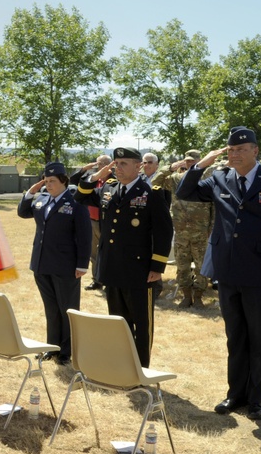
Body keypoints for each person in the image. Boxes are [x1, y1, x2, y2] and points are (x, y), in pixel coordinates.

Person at [177, 126, 261, 421]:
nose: (234, 154)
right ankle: (235, 394)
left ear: (255, 151)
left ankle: (256, 399)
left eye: (241, 150)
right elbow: (184, 192)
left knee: (259, 338)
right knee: (236, 337)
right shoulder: (219, 177)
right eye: (230, 150)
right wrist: (203, 163)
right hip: (228, 270)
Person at [75, 147, 173, 367]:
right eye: (116, 164)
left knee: (141, 323)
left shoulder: (152, 193)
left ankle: (140, 370)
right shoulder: (108, 189)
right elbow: (79, 196)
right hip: (112, 267)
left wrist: (157, 266)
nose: (118, 168)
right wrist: (96, 176)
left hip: (139, 271)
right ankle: (121, 366)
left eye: (124, 164)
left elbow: (164, 231)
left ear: (138, 166)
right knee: (118, 322)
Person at [18, 162, 92, 363]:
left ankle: (66, 352)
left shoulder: (75, 201)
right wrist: (31, 192)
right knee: (50, 308)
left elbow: (85, 236)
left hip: (65, 265)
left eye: (52, 181)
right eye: (46, 181)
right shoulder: (41, 199)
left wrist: (82, 264)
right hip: (42, 263)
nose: (48, 185)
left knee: (67, 309)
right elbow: (23, 212)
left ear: (64, 181)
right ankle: (52, 347)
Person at [153, 149, 214, 308]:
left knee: (202, 267)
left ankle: (199, 297)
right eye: (187, 161)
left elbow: (214, 207)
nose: (190, 163)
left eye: (193, 161)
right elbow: (155, 182)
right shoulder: (176, 179)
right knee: (182, 266)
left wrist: (211, 228)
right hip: (181, 232)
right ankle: (187, 296)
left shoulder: (207, 180)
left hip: (201, 232)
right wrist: (170, 167)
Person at [70, 155, 111, 291]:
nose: (97, 167)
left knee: (106, 253)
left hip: (105, 223)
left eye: (100, 164)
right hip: (91, 221)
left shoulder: (113, 181)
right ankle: (97, 280)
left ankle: (108, 280)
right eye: (97, 164)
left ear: (107, 165)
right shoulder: (94, 179)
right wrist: (84, 169)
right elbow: (74, 181)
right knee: (93, 253)